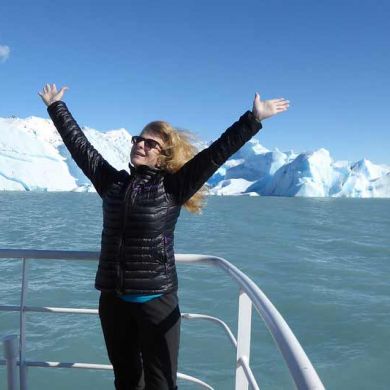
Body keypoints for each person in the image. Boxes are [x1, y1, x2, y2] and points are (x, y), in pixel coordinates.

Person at [38, 84, 289, 390]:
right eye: (138, 140)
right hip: (114, 302)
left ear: (163, 156)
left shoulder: (172, 188)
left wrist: (252, 119)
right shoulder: (112, 183)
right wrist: (56, 107)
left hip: (156, 301)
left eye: (150, 143)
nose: (140, 145)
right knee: (127, 381)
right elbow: (81, 149)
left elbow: (215, 155)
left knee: (161, 384)